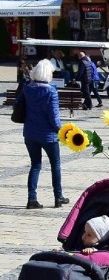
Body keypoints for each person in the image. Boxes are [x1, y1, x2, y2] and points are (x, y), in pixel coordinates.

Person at [21, 59, 69, 210]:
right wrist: (62, 132)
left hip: (30, 134)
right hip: (48, 136)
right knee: (55, 165)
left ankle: (31, 198)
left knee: (35, 165)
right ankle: (58, 196)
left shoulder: (28, 88)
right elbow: (54, 118)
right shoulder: (50, 91)